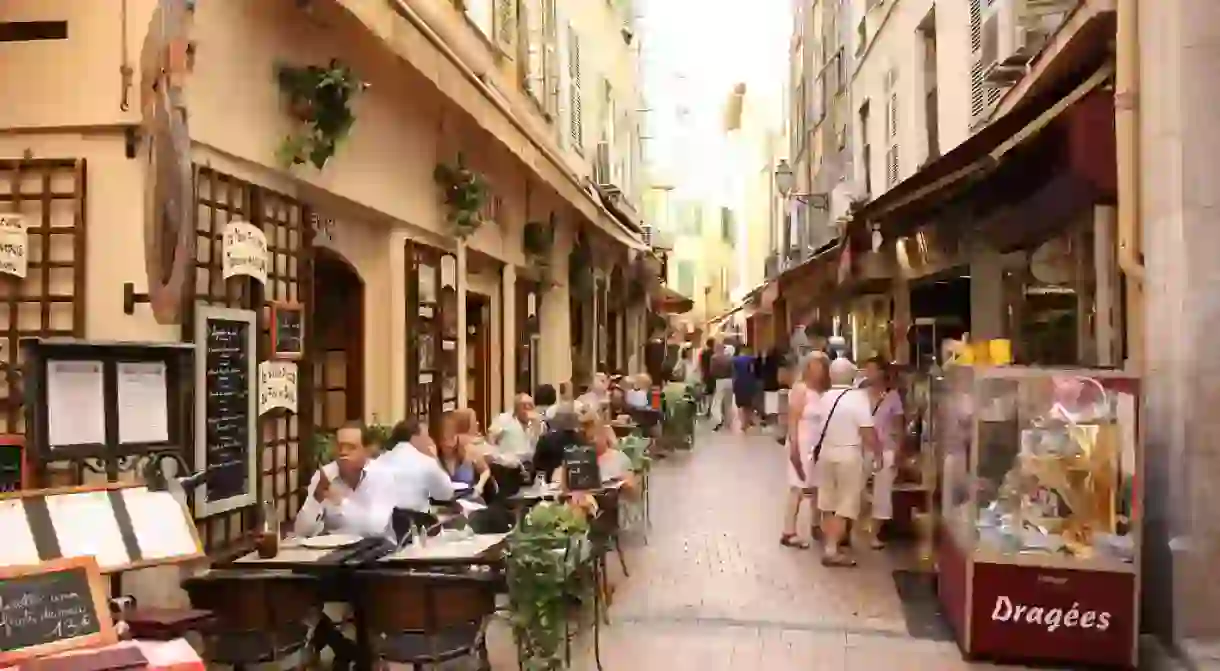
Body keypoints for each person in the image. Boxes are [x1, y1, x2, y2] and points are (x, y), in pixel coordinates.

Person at [815, 358, 881, 567]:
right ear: (852, 376)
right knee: (846, 504)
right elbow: (867, 431)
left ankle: (829, 543)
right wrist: (877, 453)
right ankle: (832, 549)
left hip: (825, 454)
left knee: (827, 502)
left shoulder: (823, 397)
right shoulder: (858, 398)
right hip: (848, 455)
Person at [294, 421, 396, 540]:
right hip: (335, 552)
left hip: (378, 550)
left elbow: (376, 528)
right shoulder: (324, 476)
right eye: (340, 447)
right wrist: (316, 499)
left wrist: (341, 502)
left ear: (366, 451)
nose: (343, 452)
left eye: (351, 447)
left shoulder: (381, 475)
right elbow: (301, 532)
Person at [781, 353, 831, 549]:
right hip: (802, 443)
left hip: (818, 445)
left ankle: (815, 524)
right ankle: (789, 531)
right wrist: (793, 448)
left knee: (817, 486)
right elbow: (792, 420)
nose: (817, 371)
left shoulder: (823, 391)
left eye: (820, 367)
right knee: (798, 487)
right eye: (813, 367)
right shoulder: (800, 389)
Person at [863, 356, 904, 550]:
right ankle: (847, 530)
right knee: (855, 489)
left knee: (882, 493)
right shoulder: (860, 394)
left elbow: (899, 427)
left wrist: (898, 451)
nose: (868, 373)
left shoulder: (892, 396)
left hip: (886, 448)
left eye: (872, 369)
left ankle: (874, 534)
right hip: (863, 447)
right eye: (866, 369)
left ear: (881, 372)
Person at [377, 418, 456, 513]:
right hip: (416, 523)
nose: (430, 441)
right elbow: (446, 494)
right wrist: (435, 459)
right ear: (414, 437)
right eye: (427, 436)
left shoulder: (379, 461)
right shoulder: (426, 462)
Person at [556, 412, 636, 494]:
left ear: (604, 434)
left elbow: (633, 491)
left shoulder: (620, 458)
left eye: (593, 437)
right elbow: (564, 490)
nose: (591, 442)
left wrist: (626, 485)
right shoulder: (576, 460)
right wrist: (565, 470)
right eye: (587, 438)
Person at [436, 412, 492, 498]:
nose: (448, 445)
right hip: (446, 501)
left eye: (451, 439)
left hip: (469, 498)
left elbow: (485, 471)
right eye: (444, 440)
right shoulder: (434, 456)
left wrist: (479, 486)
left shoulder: (469, 450)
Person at [533, 406, 582, 484]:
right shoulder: (581, 439)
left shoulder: (546, 439)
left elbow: (537, 464)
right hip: (578, 482)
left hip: (551, 482)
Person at [486, 394, 536, 467]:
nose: (527, 408)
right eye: (524, 405)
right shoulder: (504, 419)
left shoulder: (535, 424)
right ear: (516, 408)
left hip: (528, 466)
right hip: (507, 466)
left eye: (530, 405)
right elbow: (491, 438)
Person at [732, 345, 760, 432]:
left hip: (739, 383)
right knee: (748, 405)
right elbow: (756, 372)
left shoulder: (735, 360)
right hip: (750, 383)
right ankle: (747, 422)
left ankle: (744, 423)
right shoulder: (753, 359)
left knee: (741, 405)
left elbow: (733, 372)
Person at [709, 343, 736, 431]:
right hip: (729, 381)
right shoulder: (729, 358)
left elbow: (712, 371)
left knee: (717, 402)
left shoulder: (714, 358)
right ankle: (729, 422)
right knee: (728, 403)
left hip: (719, 381)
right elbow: (733, 370)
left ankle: (719, 420)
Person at [698, 338, 716, 416]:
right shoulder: (714, 353)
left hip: (705, 375)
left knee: (704, 391)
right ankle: (709, 409)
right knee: (711, 393)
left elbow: (700, 365)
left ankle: (702, 406)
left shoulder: (703, 353)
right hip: (713, 376)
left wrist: (701, 373)